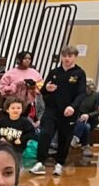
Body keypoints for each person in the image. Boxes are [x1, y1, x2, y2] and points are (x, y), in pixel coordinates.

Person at [30, 46, 87, 177]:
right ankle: (40, 162)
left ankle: (59, 163)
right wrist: (47, 89)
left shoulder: (79, 73)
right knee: (45, 134)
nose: (67, 58)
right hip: (51, 110)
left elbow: (81, 93)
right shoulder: (54, 72)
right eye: (65, 56)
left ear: (75, 57)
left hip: (69, 113)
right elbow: (43, 91)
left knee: (64, 138)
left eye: (70, 56)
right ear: (61, 56)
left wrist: (73, 107)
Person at [0, 97, 35, 186]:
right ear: (7, 109)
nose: (16, 110)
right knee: (0, 165)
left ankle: (14, 185)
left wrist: (22, 139)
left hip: (17, 149)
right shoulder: (1, 121)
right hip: (3, 148)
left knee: (15, 166)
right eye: (13, 108)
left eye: (18, 108)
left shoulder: (25, 122)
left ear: (22, 109)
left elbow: (31, 132)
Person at [0, 52, 43, 121]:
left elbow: (40, 89)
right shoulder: (10, 73)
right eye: (25, 58)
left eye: (29, 59)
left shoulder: (35, 73)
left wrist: (32, 87)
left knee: (22, 122)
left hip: (26, 104)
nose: (27, 60)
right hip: (11, 103)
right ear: (19, 60)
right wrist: (16, 84)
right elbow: (1, 90)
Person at [72, 77, 99, 158]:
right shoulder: (78, 94)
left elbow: (97, 111)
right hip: (76, 117)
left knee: (86, 126)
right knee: (84, 126)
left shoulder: (96, 96)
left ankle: (76, 139)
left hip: (90, 119)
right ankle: (85, 145)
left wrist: (88, 115)